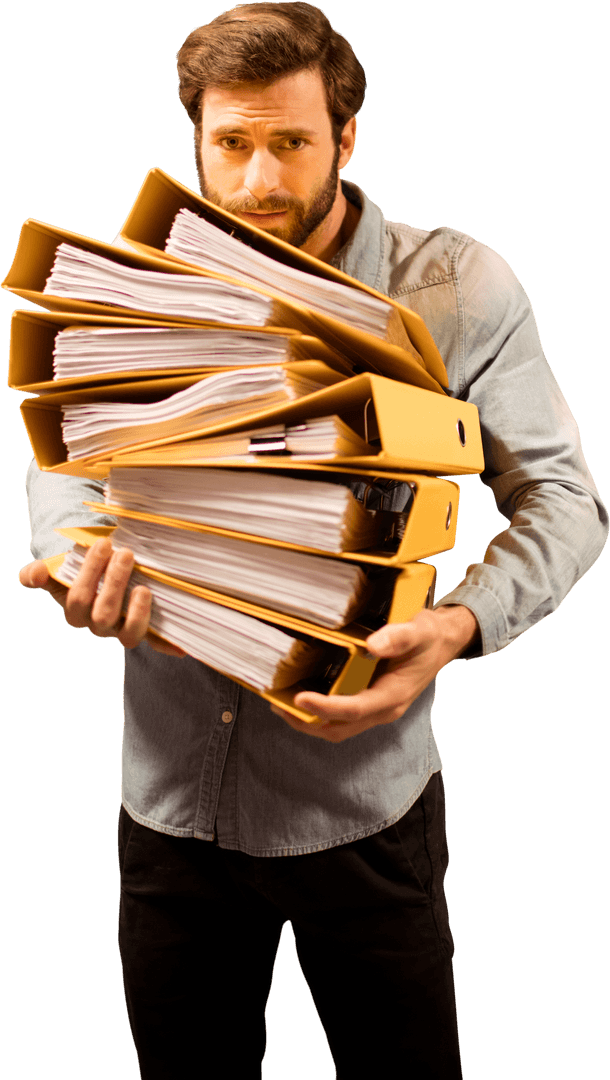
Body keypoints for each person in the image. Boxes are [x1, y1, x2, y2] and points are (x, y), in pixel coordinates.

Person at [18, 4, 608, 1077]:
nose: (257, 184)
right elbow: (70, 451)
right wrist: (73, 552)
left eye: (290, 142)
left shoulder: (458, 288)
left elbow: (565, 497)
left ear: (345, 135)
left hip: (364, 804)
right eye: (229, 146)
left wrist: (459, 624)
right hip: (166, 804)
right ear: (196, 141)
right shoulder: (144, 284)